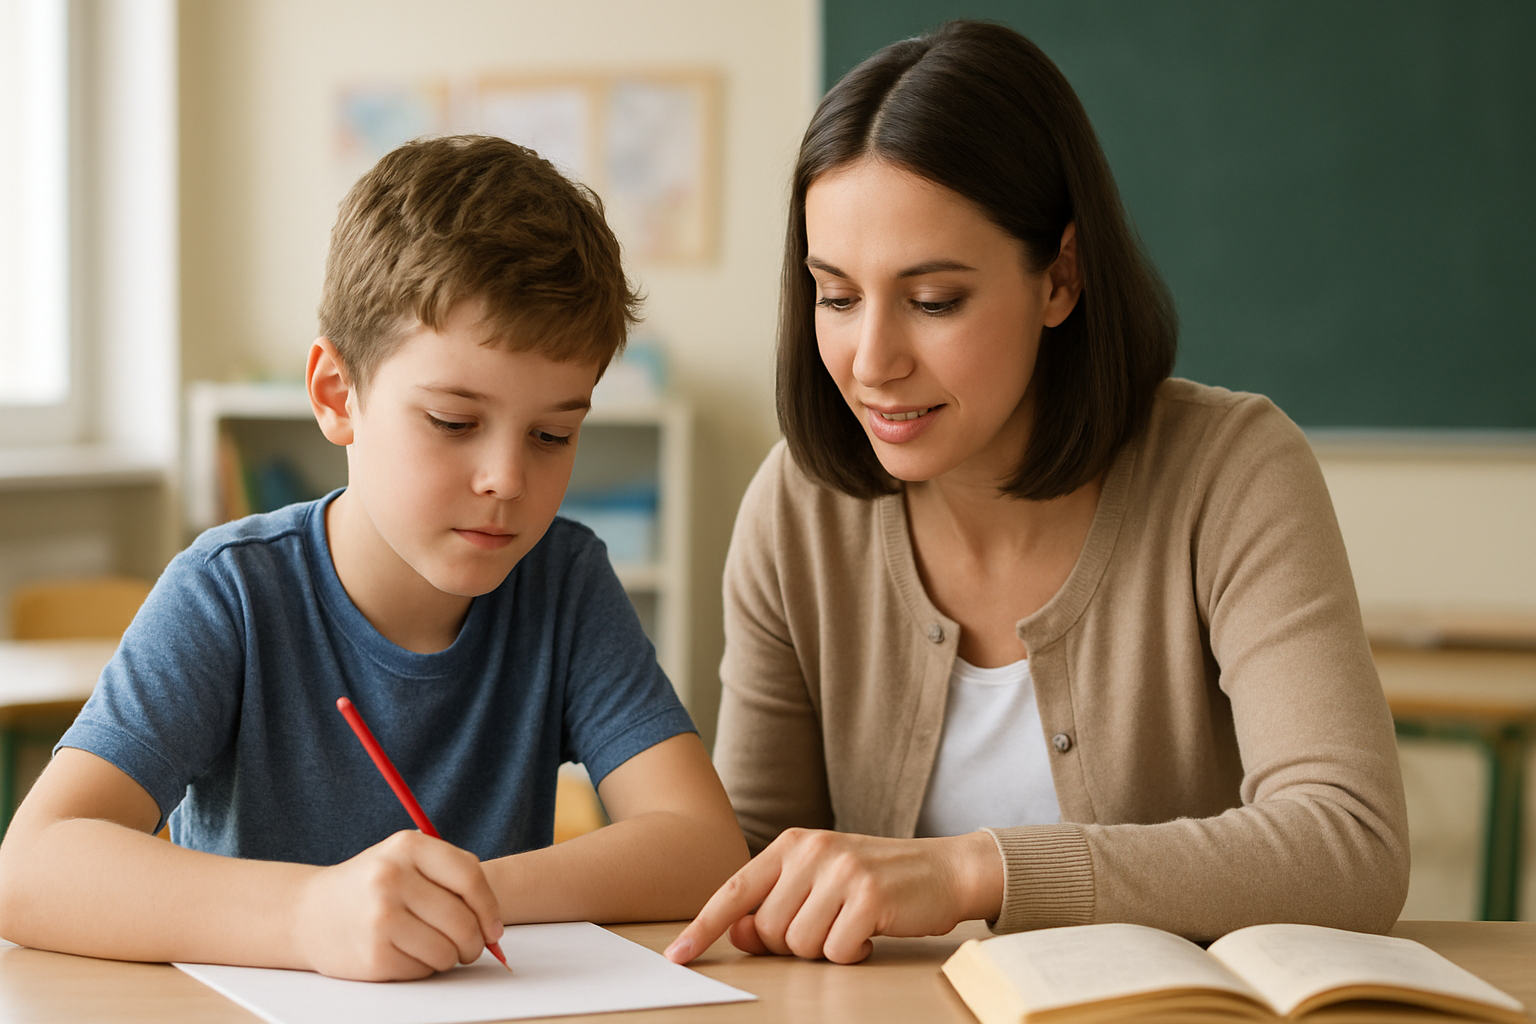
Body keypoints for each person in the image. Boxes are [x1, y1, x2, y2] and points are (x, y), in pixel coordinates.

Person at [666, 21, 1407, 967]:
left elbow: (1351, 844)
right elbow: (758, 857)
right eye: (837, 296)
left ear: (1061, 276)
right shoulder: (797, 507)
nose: (872, 361)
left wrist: (973, 873)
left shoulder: (1232, 471)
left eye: (933, 300)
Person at [0, 135, 747, 981]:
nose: (506, 478)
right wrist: (310, 916)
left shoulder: (564, 584)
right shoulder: (231, 593)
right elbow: (31, 868)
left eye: (553, 434)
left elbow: (703, 848)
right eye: (454, 422)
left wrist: (463, 896)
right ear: (335, 395)